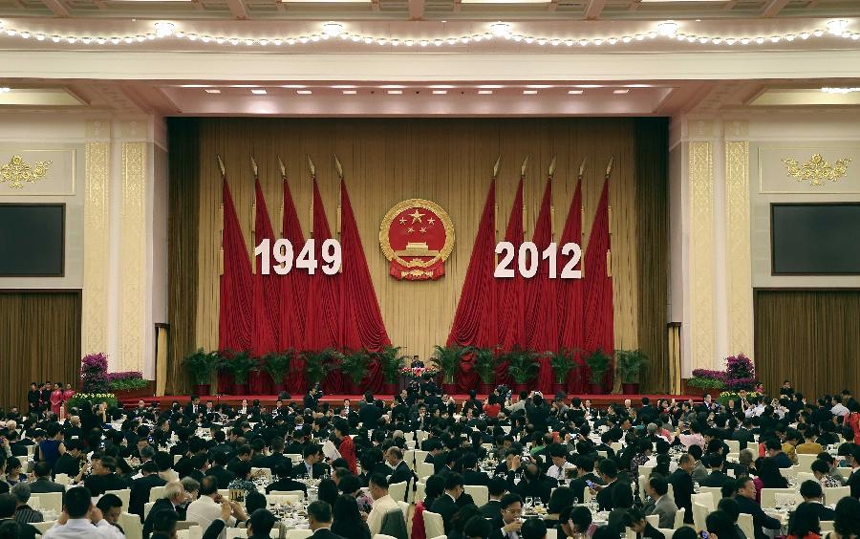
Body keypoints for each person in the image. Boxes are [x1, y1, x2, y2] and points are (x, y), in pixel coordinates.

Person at [40, 486, 119, 539]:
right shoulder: (103, 534)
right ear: (91, 507)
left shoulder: (52, 535)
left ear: (65, 509)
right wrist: (101, 521)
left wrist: (59, 523)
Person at [670, 454, 695, 524]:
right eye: (692, 464)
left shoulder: (673, 475)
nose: (693, 467)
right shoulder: (685, 476)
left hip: (674, 509)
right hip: (686, 512)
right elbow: (691, 496)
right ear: (685, 464)